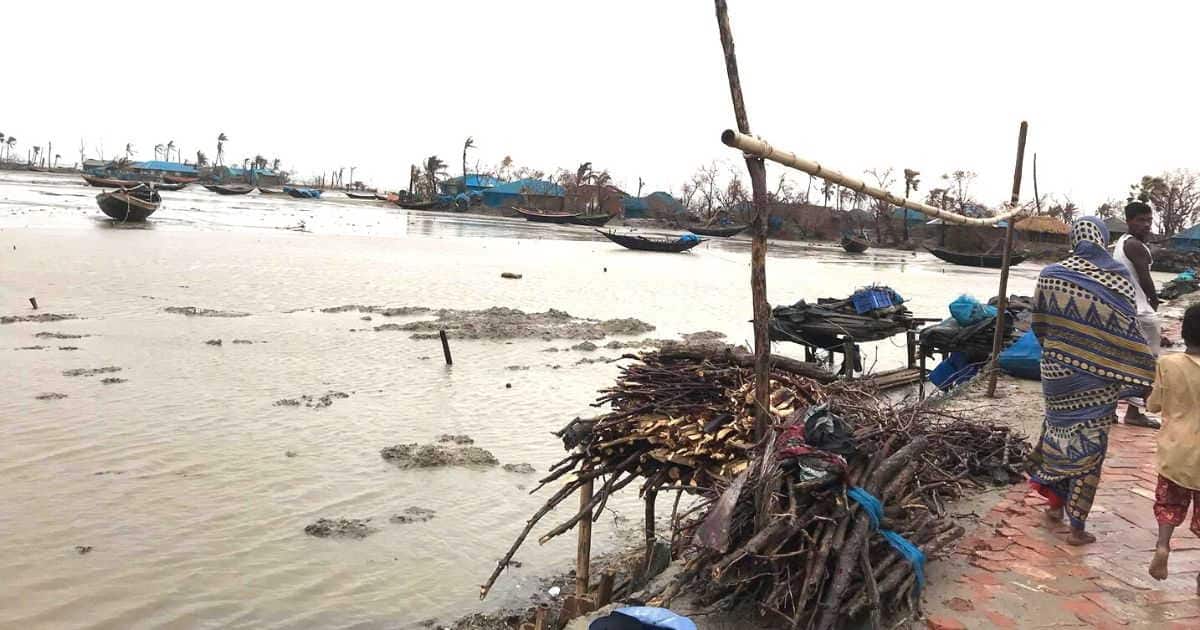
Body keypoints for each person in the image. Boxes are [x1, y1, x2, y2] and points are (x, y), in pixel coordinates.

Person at [1028, 217, 1156, 545]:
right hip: (1098, 377)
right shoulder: (1118, 275)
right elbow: (1127, 327)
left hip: (1056, 372)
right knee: (1089, 443)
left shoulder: (1050, 274)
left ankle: (1055, 506)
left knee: (1057, 432)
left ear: (1074, 238)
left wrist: (1059, 352)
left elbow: (1038, 323)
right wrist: (1140, 368)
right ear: (1101, 237)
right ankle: (1077, 527)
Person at [1147, 304, 1200, 591]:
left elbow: (1154, 404)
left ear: (1184, 332)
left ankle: (1163, 545)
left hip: (1175, 450)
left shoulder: (1168, 364)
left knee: (1168, 503)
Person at [1113, 201, 1162, 428]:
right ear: (1129, 221)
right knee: (1146, 364)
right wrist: (1154, 301)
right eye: (1140, 220)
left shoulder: (1122, 243)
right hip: (1142, 313)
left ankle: (1109, 411)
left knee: (1119, 362)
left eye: (1149, 220)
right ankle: (1134, 413)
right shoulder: (1136, 246)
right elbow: (1145, 278)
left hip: (1124, 310)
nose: (1146, 225)